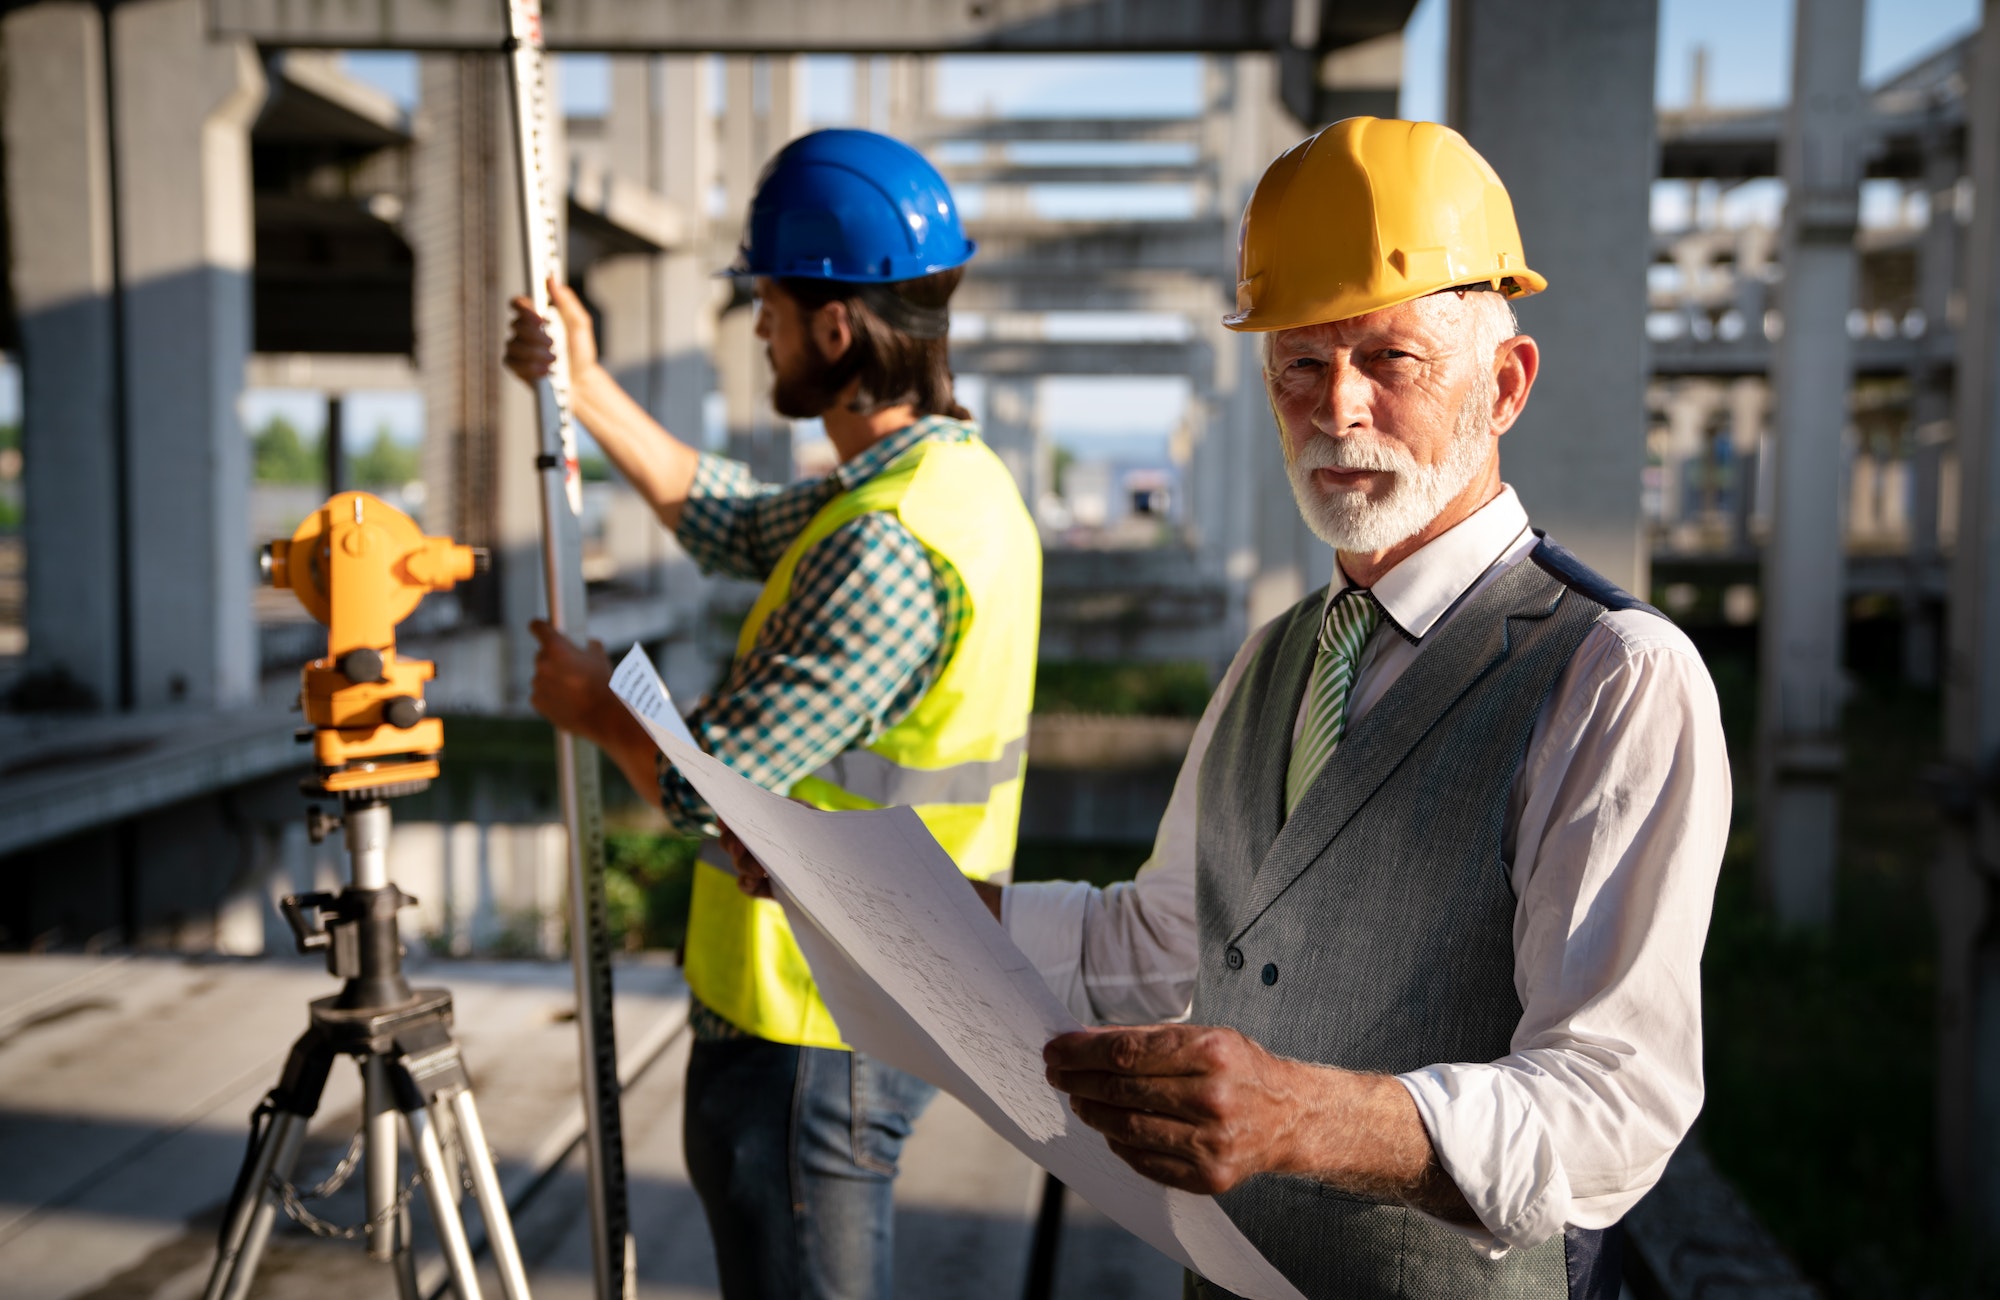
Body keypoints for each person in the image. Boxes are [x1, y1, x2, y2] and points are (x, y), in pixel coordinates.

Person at [1004, 117, 1726, 1298]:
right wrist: (890, 895)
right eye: (1297, 363)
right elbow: (1156, 946)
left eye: (1389, 360)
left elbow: (1614, 1103)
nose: (1335, 409)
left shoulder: (1612, 675)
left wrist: (1307, 1121)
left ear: (1503, 384)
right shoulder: (1272, 661)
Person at [503, 128, 1042, 1300]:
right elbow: (735, 522)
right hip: (864, 1003)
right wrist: (583, 387)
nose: (757, 327)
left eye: (770, 305)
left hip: (814, 1028)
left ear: (834, 330)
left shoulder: (886, 549)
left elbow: (715, 799)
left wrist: (598, 711)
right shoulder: (945, 487)